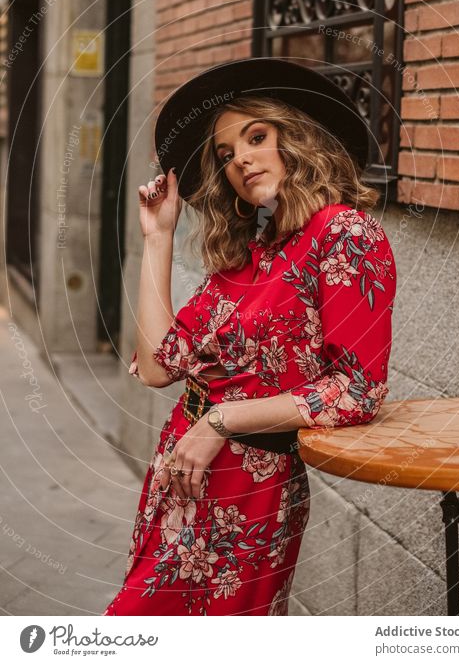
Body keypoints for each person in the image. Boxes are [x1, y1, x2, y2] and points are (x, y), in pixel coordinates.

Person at [103, 58, 396, 616]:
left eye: (256, 136)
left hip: (251, 490)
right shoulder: (249, 255)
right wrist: (158, 237)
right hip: (182, 471)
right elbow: (160, 365)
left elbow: (357, 392)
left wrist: (221, 420)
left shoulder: (343, 233)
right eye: (226, 153)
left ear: (297, 139)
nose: (240, 157)